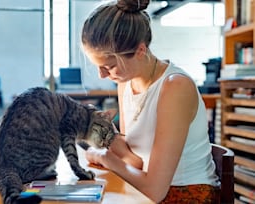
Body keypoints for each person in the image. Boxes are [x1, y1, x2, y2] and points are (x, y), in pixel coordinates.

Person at [80, 0, 220, 203]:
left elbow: (155, 190)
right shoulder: (125, 84)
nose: (102, 76)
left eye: (109, 67)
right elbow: (134, 161)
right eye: (98, 67)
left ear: (140, 51)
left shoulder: (175, 87)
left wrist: (105, 158)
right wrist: (109, 138)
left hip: (185, 193)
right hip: (146, 187)